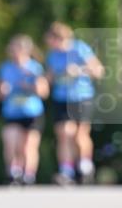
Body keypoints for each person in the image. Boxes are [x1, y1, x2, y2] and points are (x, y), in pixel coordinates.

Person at [44, 22, 104, 185]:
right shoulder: (52, 55)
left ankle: (85, 165)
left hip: (82, 97)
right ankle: (66, 170)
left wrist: (78, 70)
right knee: (64, 133)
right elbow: (49, 77)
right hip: (62, 98)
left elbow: (98, 71)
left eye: (51, 41)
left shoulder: (80, 49)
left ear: (59, 38)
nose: (50, 45)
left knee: (80, 135)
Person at [0, 35, 48, 185]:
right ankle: (13, 172)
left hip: (32, 112)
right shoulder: (5, 68)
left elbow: (44, 92)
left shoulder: (35, 68)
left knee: (28, 145)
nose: (15, 53)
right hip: (12, 112)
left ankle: (29, 175)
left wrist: (31, 86)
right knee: (11, 141)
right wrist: (3, 90)